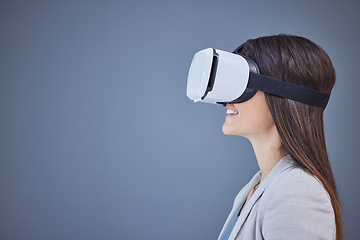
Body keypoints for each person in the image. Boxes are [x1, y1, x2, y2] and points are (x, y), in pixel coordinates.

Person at [217, 35, 345, 240]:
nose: (228, 99)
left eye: (243, 83)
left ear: (284, 96)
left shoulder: (298, 192)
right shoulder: (256, 187)